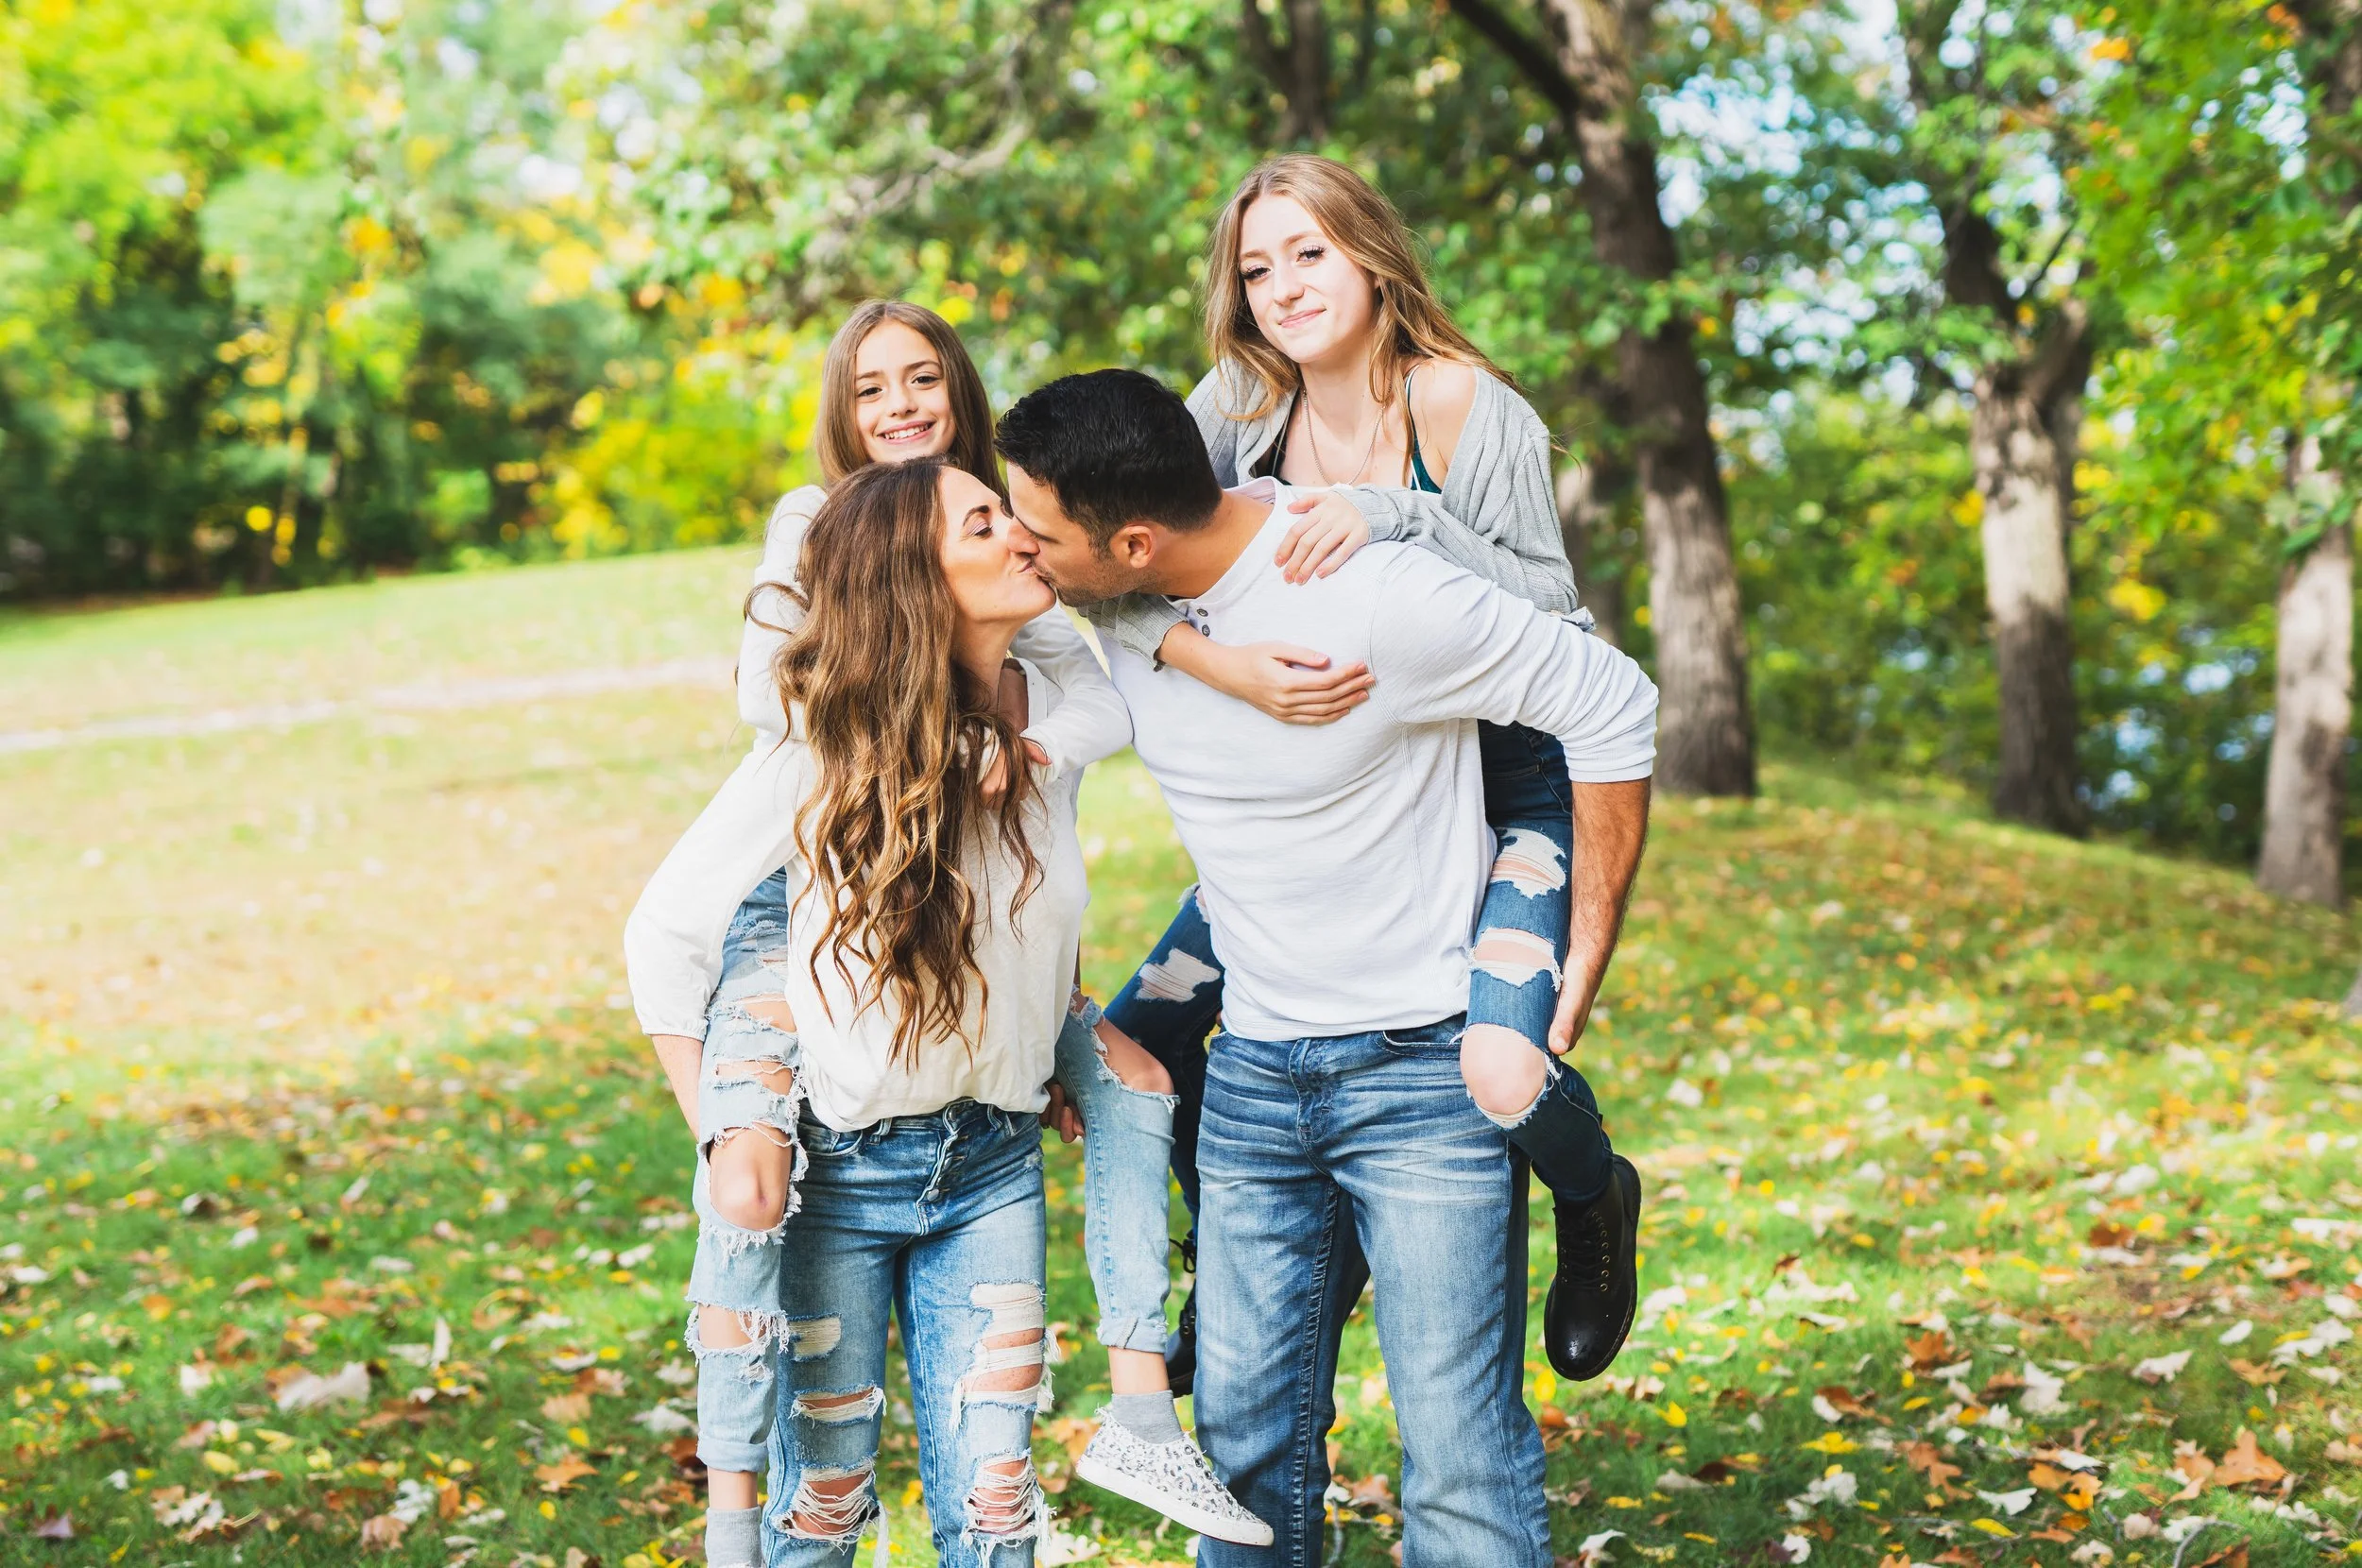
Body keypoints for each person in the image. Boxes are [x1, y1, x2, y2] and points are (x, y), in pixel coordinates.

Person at [639, 301, 1264, 1567]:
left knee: (996, 1514)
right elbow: (691, 911)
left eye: (925, 379)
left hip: (984, 1154)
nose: (903, 403)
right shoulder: (824, 669)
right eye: (873, 391)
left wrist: (1018, 747)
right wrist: (731, 1122)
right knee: (820, 1509)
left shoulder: (1025, 654)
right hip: (846, 1155)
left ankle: (1143, 1410)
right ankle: (733, 1533)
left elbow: (1102, 696)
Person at [996, 368, 1657, 1567]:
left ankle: (1593, 1184)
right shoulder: (1109, 607)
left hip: (1423, 1077)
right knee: (1245, 1447)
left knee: (1456, 1454)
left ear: (1132, 539)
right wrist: (1213, 659)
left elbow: (1611, 701)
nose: (1024, 555)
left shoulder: (1371, 595)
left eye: (1040, 533)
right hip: (1253, 1075)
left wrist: (1588, 934)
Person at [1080, 154, 1641, 1387]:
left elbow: (1553, 606)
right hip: (1339, 803)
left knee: (1506, 1060)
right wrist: (1214, 667)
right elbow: (1113, 566)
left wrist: (1397, 517)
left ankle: (1596, 1198)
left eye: (1309, 252)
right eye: (1256, 267)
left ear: (1369, 251)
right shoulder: (1230, 409)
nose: (1284, 285)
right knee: (1140, 1043)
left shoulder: (1465, 405)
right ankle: (1267, 1260)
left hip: (1503, 793)